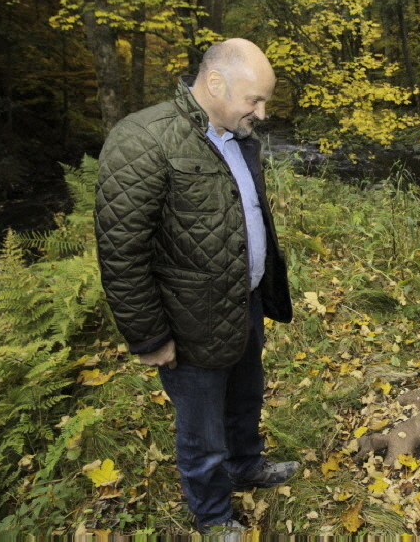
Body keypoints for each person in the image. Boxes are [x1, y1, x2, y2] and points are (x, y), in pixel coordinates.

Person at [94, 38, 297, 531]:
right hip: (187, 321)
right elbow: (121, 251)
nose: (262, 112)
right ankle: (212, 517)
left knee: (246, 396)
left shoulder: (239, 135)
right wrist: (148, 336)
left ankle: (247, 466)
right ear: (214, 83)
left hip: (241, 302)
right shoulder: (143, 139)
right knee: (202, 428)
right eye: (254, 100)